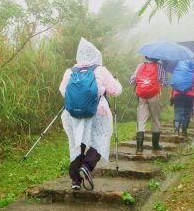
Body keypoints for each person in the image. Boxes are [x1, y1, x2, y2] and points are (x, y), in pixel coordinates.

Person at [59, 38, 122, 191]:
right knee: (100, 140)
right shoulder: (100, 70)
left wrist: (79, 102)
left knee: (78, 144)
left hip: (74, 114)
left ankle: (75, 180)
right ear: (95, 55)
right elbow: (115, 91)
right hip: (98, 112)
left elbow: (63, 90)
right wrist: (114, 81)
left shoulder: (70, 71)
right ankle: (87, 166)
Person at [129, 56, 168, 155]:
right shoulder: (160, 67)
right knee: (155, 118)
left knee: (141, 119)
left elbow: (132, 80)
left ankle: (139, 148)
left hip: (142, 95)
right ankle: (155, 145)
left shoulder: (141, 65)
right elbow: (165, 83)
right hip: (154, 95)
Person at [169, 59, 194, 137]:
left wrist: (171, 95)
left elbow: (174, 83)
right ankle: (184, 130)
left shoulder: (178, 68)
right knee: (187, 113)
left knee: (178, 113)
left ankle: (176, 131)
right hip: (190, 95)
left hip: (178, 94)